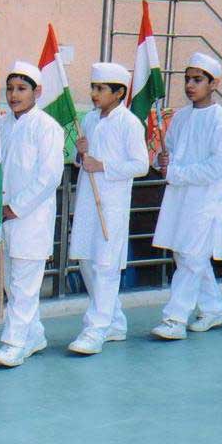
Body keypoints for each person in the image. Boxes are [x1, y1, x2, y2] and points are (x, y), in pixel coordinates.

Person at [151, 52, 222, 340]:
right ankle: (213, 308)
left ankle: (174, 319)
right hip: (179, 197)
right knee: (186, 255)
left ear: (214, 84)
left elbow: (217, 167)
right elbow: (169, 152)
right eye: (187, 79)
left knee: (191, 256)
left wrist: (176, 173)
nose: (190, 85)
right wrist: (162, 161)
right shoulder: (181, 116)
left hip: (206, 201)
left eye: (197, 80)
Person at [67, 62, 148, 355]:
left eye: (100, 89)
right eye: (93, 87)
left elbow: (141, 165)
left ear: (119, 92)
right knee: (87, 261)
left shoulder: (130, 123)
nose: (94, 93)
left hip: (112, 205)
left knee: (105, 266)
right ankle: (114, 322)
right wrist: (80, 154)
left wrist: (103, 166)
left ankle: (95, 329)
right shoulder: (89, 120)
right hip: (87, 202)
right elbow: (79, 160)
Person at [0, 61, 65, 367]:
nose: (14, 95)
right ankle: (33, 335)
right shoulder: (2, 125)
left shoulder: (47, 127)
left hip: (30, 220)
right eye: (10, 88)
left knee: (23, 286)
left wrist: (15, 207)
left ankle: (14, 344)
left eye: (21, 89)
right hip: (3, 219)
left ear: (38, 92)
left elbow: (49, 177)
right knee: (12, 283)